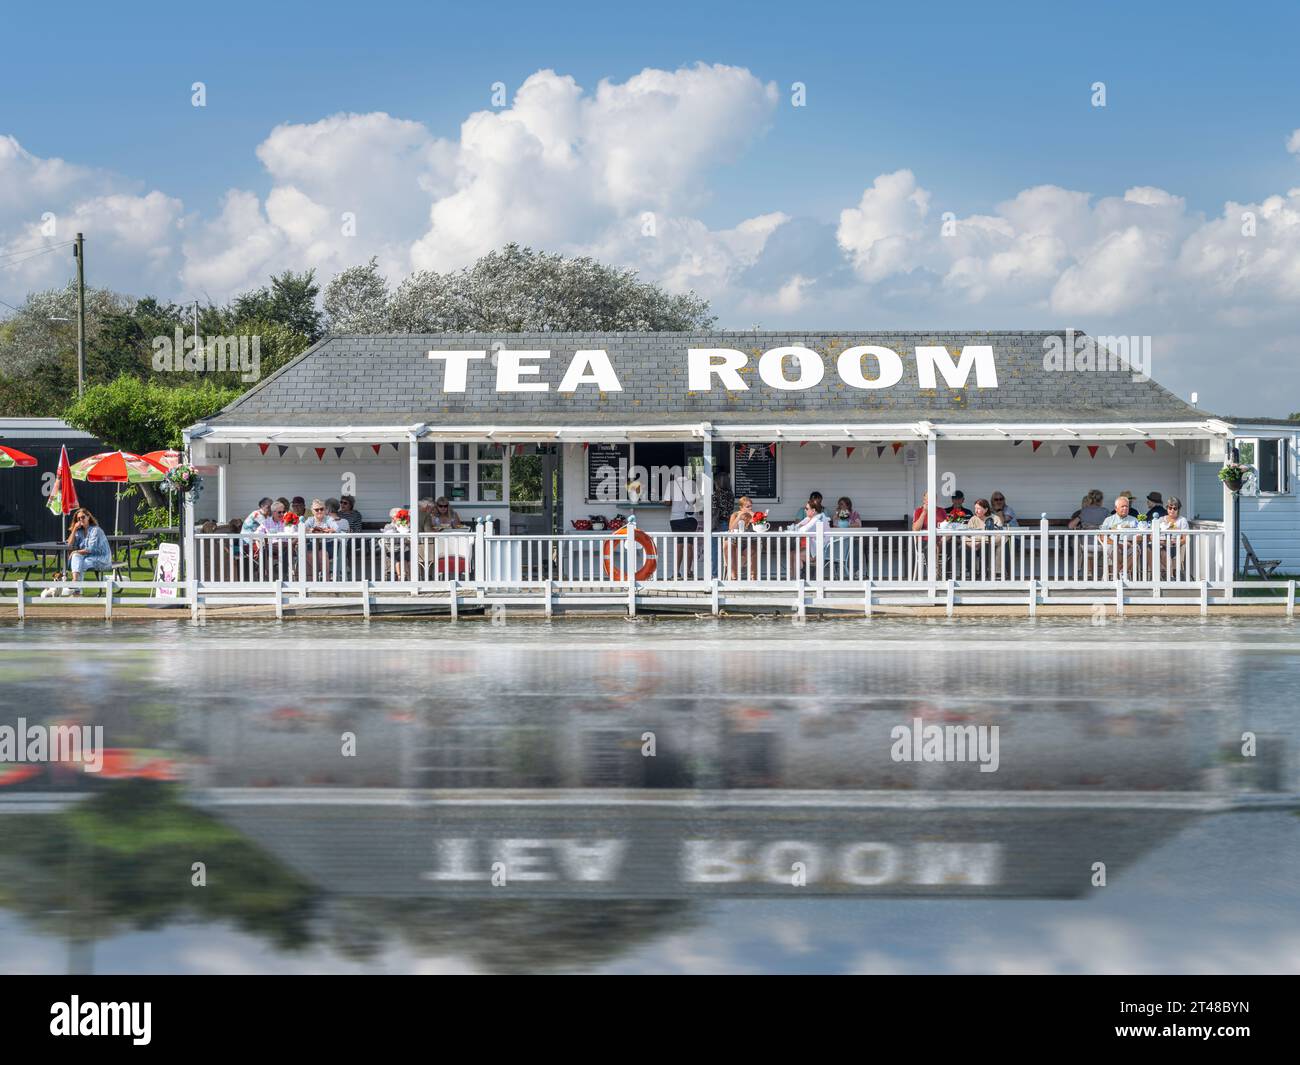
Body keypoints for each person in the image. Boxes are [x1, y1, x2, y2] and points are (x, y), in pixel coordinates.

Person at [63, 507, 113, 595]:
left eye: (83, 517)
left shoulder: (95, 530)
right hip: (88, 558)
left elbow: (90, 549)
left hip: (101, 558)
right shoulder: (80, 531)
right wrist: (74, 529)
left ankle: (77, 589)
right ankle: (76, 583)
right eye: (78, 518)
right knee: (77, 558)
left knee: (79, 561)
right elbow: (69, 544)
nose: (81, 519)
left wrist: (75, 552)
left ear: (88, 517)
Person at [664, 468, 699, 578]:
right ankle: (688, 572)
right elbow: (697, 500)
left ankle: (676, 572)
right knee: (689, 545)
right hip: (690, 518)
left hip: (676, 518)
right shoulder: (693, 484)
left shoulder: (671, 484)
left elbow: (667, 502)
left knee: (679, 545)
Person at [792, 499, 830, 574]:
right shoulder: (812, 518)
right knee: (792, 554)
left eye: (806, 509)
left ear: (813, 510)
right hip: (815, 549)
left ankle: (798, 579)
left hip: (820, 551)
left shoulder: (818, 518)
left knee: (796, 556)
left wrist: (800, 527)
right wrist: (799, 526)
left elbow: (802, 531)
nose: (804, 510)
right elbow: (796, 527)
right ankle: (796, 577)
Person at [1155, 496, 1190, 577]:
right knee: (1149, 548)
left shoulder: (1182, 520)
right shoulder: (1161, 519)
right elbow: (1151, 537)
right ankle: (1168, 574)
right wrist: (1161, 541)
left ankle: (1168, 575)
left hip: (1175, 547)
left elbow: (1185, 539)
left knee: (1164, 552)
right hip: (1161, 545)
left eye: (1175, 508)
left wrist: (1174, 542)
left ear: (1178, 509)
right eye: (1170, 508)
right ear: (1167, 508)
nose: (1172, 510)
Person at [727, 495, 757, 578]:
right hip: (737, 541)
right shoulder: (735, 515)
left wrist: (755, 517)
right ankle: (734, 576)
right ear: (741, 507)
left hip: (750, 542)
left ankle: (751, 575)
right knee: (729, 546)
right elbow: (731, 529)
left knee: (751, 551)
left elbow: (762, 526)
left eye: (751, 506)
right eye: (747, 506)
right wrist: (739, 517)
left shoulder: (754, 515)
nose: (750, 508)